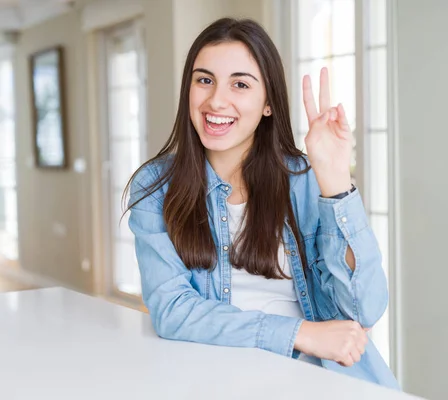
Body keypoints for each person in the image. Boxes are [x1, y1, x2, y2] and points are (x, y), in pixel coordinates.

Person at [125, 17, 399, 390]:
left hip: (318, 376)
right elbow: (173, 311)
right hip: (214, 377)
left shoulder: (303, 179)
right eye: (204, 80)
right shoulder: (156, 187)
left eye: (240, 84)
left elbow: (363, 309)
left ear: (268, 103)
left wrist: (335, 183)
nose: (216, 100)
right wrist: (299, 333)